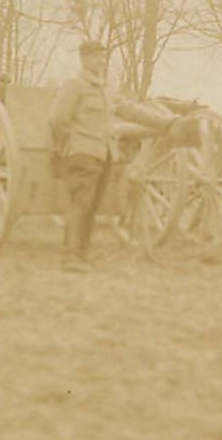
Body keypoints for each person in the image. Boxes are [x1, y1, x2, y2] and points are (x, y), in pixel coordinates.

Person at [47, 39, 176, 273]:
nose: (101, 61)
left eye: (104, 57)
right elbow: (57, 119)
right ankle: (70, 257)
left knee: (93, 206)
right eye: (96, 56)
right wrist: (68, 143)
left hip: (104, 154)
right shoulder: (74, 85)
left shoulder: (106, 89)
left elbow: (130, 110)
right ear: (84, 58)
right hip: (81, 153)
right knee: (81, 204)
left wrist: (166, 122)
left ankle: (82, 254)